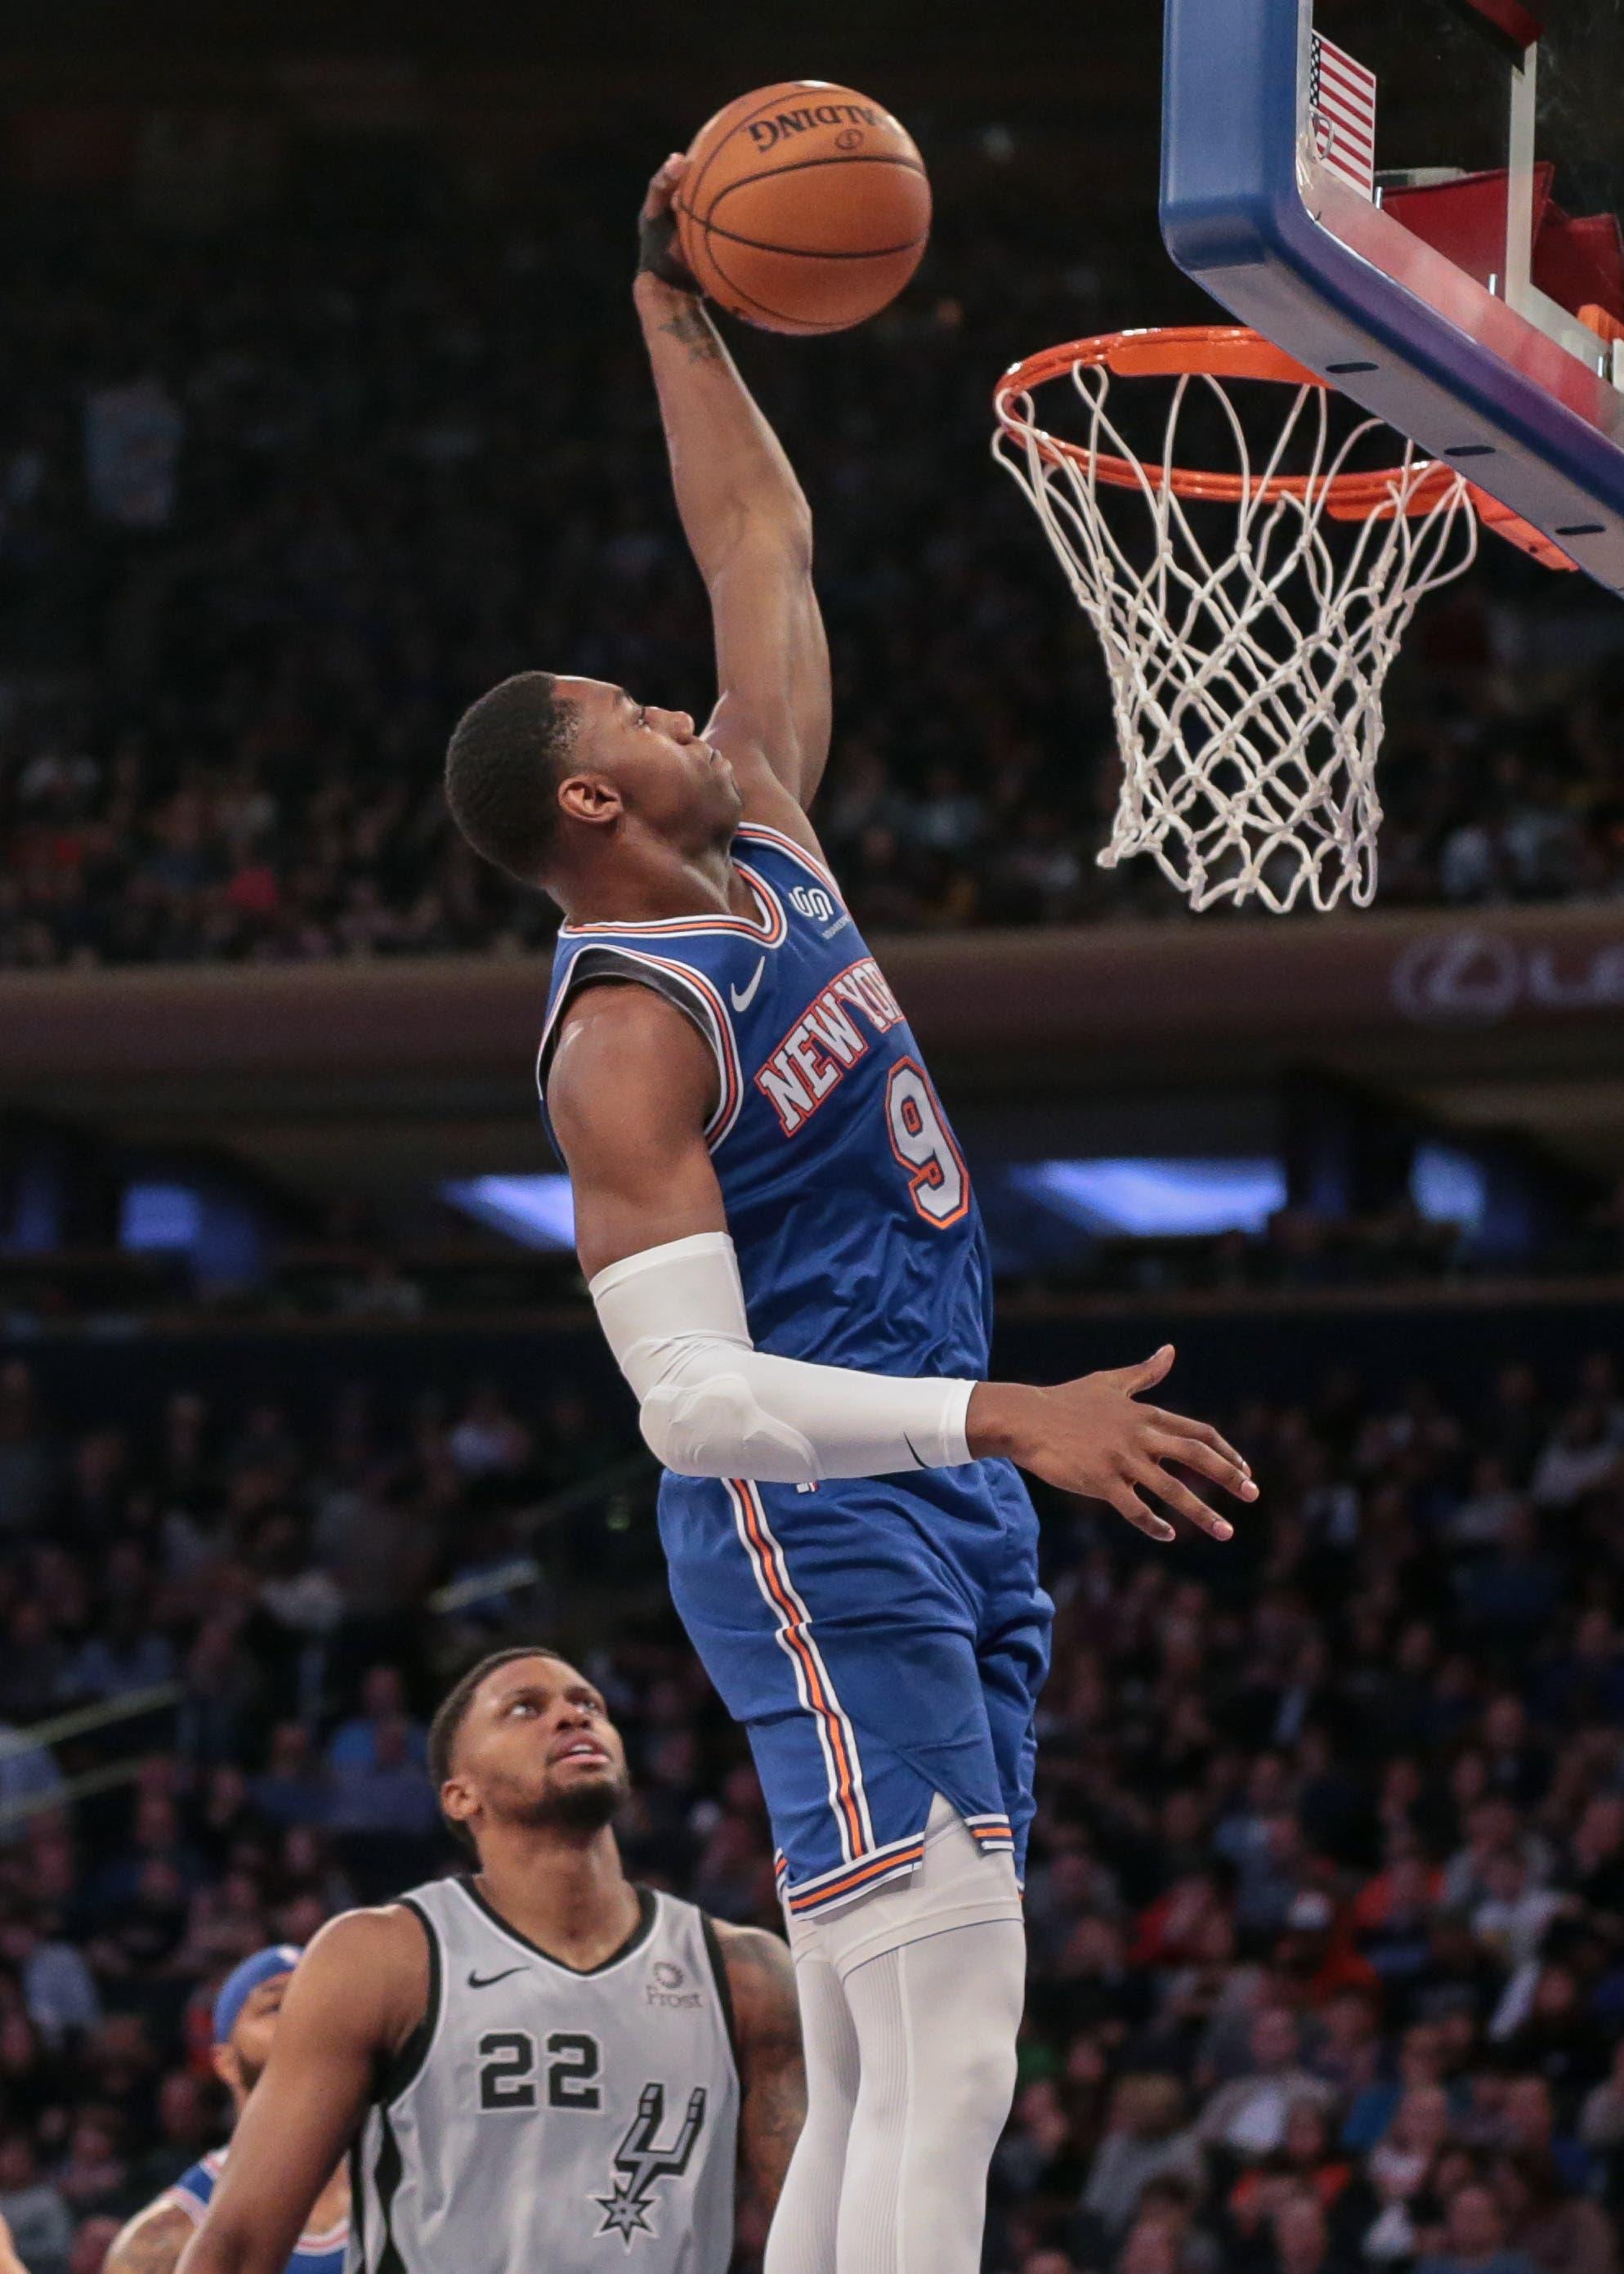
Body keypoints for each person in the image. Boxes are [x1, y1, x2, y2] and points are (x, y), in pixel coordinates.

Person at [439, 152, 1256, 2274]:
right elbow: (692, 1402)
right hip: (820, 1511)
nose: (675, 696)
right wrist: (1004, 1414)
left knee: (898, 2058)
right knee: (950, 2046)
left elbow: (760, 536)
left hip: (939, 1497)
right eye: (627, 705)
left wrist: (672, 297)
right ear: (588, 800)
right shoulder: (626, 1030)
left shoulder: (771, 834)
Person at [174, 1647, 803, 2274]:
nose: (570, 1717)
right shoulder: (384, 1958)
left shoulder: (743, 1973)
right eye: (525, 1708)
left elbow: (818, 2233)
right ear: (460, 1796)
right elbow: (235, 2247)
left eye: (588, 1705)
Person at [104, 1947, 349, 2274]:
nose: (305, 2016)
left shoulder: (417, 2180)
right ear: (227, 2062)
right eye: (276, 2005)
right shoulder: (164, 2240)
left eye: (319, 2002)